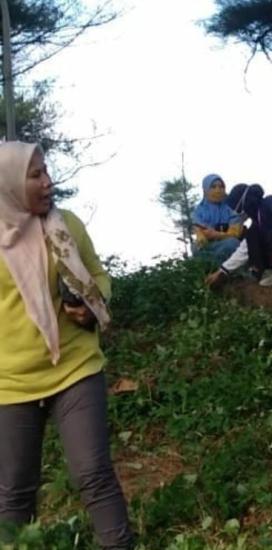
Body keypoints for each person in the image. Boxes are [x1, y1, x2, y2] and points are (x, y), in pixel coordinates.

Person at [0, 142, 134, 547]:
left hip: (75, 367)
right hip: (10, 382)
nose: (48, 182)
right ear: (8, 183)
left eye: (47, 171)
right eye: (35, 175)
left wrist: (94, 303)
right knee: (14, 492)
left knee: (93, 474)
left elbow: (98, 275)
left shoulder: (66, 226)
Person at [192, 173, 242, 264]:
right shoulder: (198, 212)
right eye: (213, 187)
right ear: (205, 190)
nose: (218, 190)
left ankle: (221, 267)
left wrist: (217, 235)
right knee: (195, 247)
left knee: (233, 243)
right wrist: (202, 237)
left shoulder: (231, 212)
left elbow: (235, 234)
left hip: (225, 245)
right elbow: (199, 232)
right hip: (208, 247)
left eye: (221, 187)